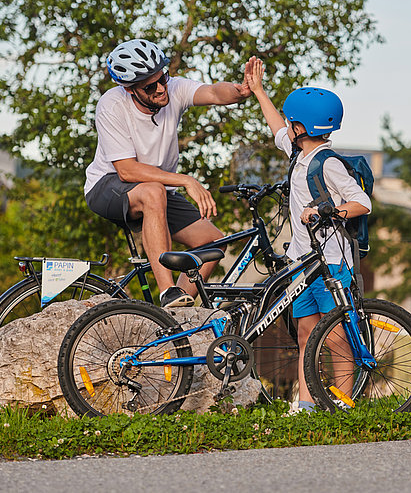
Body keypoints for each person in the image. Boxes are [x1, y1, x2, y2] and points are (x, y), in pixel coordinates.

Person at [84, 39, 252, 307]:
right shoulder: (111, 105)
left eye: (163, 78)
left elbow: (213, 93)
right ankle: (168, 291)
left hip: (157, 189)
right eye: (150, 86)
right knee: (153, 191)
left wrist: (238, 91)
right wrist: (187, 180)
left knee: (214, 242)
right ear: (129, 89)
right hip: (107, 186)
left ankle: (176, 312)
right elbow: (126, 170)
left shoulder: (174, 89)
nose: (161, 88)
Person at [246, 57, 371, 410]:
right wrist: (259, 91)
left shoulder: (326, 162)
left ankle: (344, 403)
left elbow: (362, 202)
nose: (285, 125)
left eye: (291, 122)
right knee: (304, 335)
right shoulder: (297, 153)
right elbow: (275, 127)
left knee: (336, 340)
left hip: (331, 264)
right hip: (302, 262)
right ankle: (305, 405)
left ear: (300, 127)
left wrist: (324, 211)